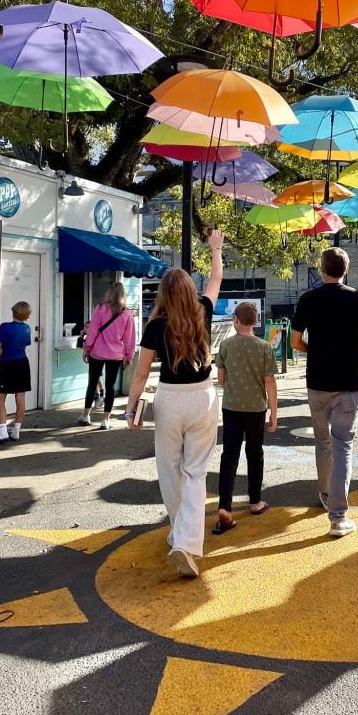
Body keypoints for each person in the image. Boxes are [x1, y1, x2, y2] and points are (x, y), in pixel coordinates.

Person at [125, 229, 224, 578]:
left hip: (169, 398)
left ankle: (178, 532)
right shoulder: (202, 312)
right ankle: (186, 541)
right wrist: (215, 248)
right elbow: (216, 278)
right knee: (196, 473)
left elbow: (140, 373)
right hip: (202, 396)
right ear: (189, 290)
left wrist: (132, 408)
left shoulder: (155, 325)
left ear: (164, 294)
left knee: (169, 470)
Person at [291, 247, 358, 537]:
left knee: (323, 442)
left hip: (317, 382)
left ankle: (325, 493)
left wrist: (313, 350)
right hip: (348, 383)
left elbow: (295, 342)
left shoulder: (308, 299)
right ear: (347, 270)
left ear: (322, 270)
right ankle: (338, 517)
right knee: (343, 446)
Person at [213, 301, 278, 534]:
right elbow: (270, 382)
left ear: (236, 320)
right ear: (256, 321)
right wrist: (274, 412)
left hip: (231, 407)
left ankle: (225, 506)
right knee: (255, 452)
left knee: (229, 455)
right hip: (256, 408)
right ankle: (255, 501)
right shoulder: (264, 347)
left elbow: (221, 379)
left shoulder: (226, 345)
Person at [79, 281, 136, 430]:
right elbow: (129, 338)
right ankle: (105, 420)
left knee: (92, 383)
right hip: (115, 355)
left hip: (97, 353)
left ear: (109, 293)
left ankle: (86, 415)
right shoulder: (126, 313)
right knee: (110, 386)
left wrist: (87, 348)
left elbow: (92, 331)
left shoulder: (100, 308)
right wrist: (128, 356)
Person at [0, 301, 32, 447]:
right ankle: (16, 430)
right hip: (23, 363)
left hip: (8, 364)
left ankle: (2, 432)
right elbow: (25, 343)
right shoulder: (27, 328)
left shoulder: (5, 327)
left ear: (14, 312)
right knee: (20, 397)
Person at [78, 320, 104, 406]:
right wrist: (81, 336)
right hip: (91, 361)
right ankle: (97, 398)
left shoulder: (95, 337)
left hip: (97, 360)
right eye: (86, 327)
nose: (88, 329)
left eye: (90, 327)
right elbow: (80, 345)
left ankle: (101, 395)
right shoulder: (86, 338)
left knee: (96, 379)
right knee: (93, 379)